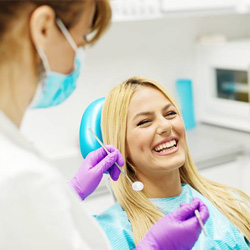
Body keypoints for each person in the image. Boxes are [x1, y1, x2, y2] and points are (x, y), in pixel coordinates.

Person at [0, 1, 209, 250]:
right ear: (44, 28)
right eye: (79, 42)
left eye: (170, 113)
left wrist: (71, 192)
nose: (75, 63)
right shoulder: (20, 178)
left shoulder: (227, 202)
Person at [92, 76, 250, 249]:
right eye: (144, 122)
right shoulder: (110, 233)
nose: (166, 126)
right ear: (120, 147)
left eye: (170, 114)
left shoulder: (231, 202)